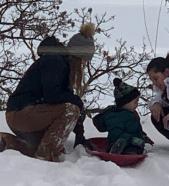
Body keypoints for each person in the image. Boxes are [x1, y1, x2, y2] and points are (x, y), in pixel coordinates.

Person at [0, 23, 95, 162]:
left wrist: (80, 134)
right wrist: (77, 102)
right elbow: (53, 96)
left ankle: (6, 141)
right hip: (21, 114)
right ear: (77, 56)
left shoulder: (63, 66)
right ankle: (46, 155)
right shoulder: (54, 61)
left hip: (24, 115)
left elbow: (64, 98)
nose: (83, 65)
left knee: (35, 147)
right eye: (83, 61)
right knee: (71, 109)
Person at [93, 78, 154, 155]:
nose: (137, 104)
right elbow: (116, 134)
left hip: (133, 141)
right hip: (118, 142)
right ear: (125, 102)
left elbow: (137, 129)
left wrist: (143, 137)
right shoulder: (115, 116)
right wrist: (131, 139)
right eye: (135, 101)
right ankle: (119, 150)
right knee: (130, 147)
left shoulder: (132, 114)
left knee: (136, 146)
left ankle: (135, 149)